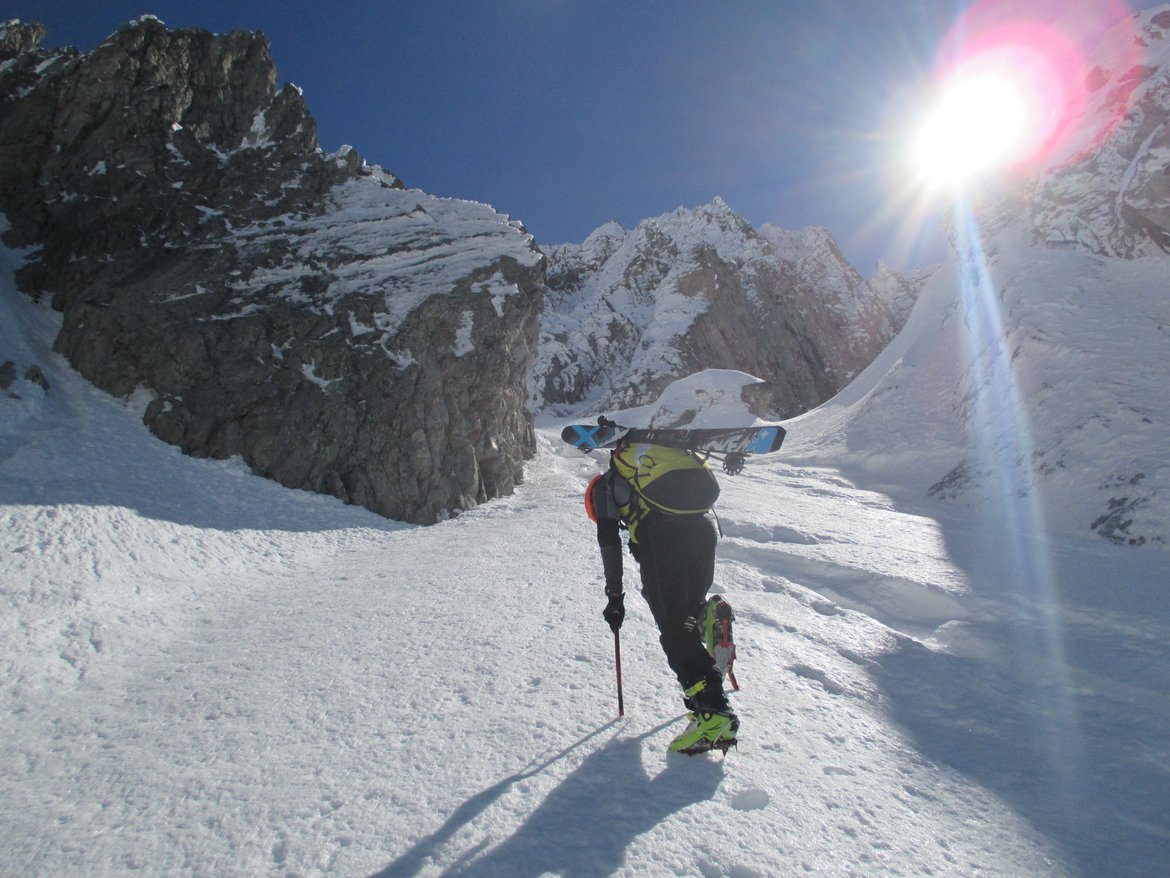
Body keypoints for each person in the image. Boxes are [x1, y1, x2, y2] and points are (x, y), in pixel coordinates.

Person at [585, 441, 738, 753]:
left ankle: (711, 711)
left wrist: (615, 596)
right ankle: (710, 616)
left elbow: (609, 542)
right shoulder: (651, 466)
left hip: (662, 539)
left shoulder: (604, 487)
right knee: (686, 612)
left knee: (674, 630)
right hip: (702, 530)